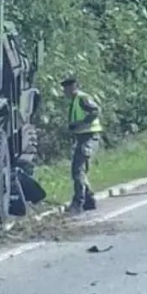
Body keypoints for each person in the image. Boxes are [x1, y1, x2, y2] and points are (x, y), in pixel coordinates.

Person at [61, 77, 103, 213]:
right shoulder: (75, 101)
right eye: (64, 89)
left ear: (74, 87)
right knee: (79, 170)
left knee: (78, 170)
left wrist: (81, 124)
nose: (65, 91)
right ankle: (89, 200)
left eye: (67, 88)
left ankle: (78, 203)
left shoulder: (82, 98)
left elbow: (95, 111)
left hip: (89, 137)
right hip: (82, 137)